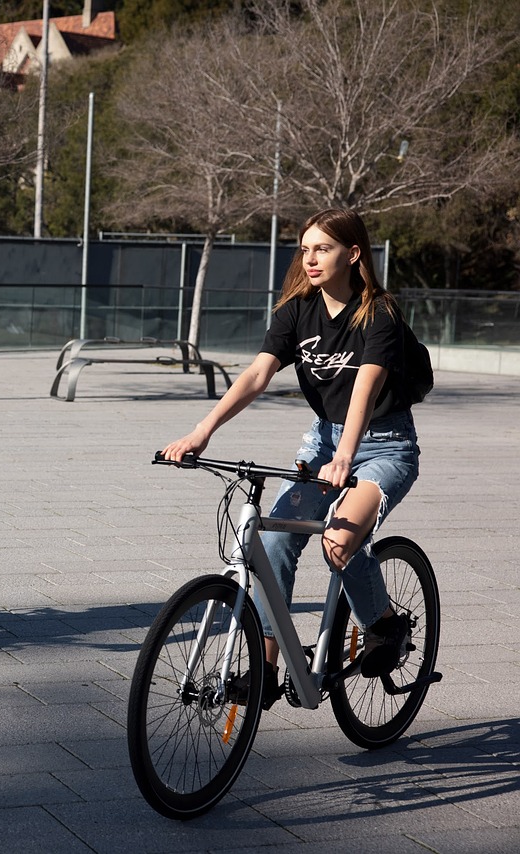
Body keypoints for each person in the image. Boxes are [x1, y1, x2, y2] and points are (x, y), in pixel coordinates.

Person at [161, 208, 420, 709]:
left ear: (354, 253)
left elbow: (367, 382)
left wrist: (347, 454)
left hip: (385, 444)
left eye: (322, 248)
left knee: (339, 543)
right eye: (305, 249)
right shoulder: (296, 310)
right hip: (323, 444)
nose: (311, 258)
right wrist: (203, 430)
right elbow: (258, 375)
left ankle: (384, 625)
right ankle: (265, 668)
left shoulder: (379, 311)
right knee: (275, 541)